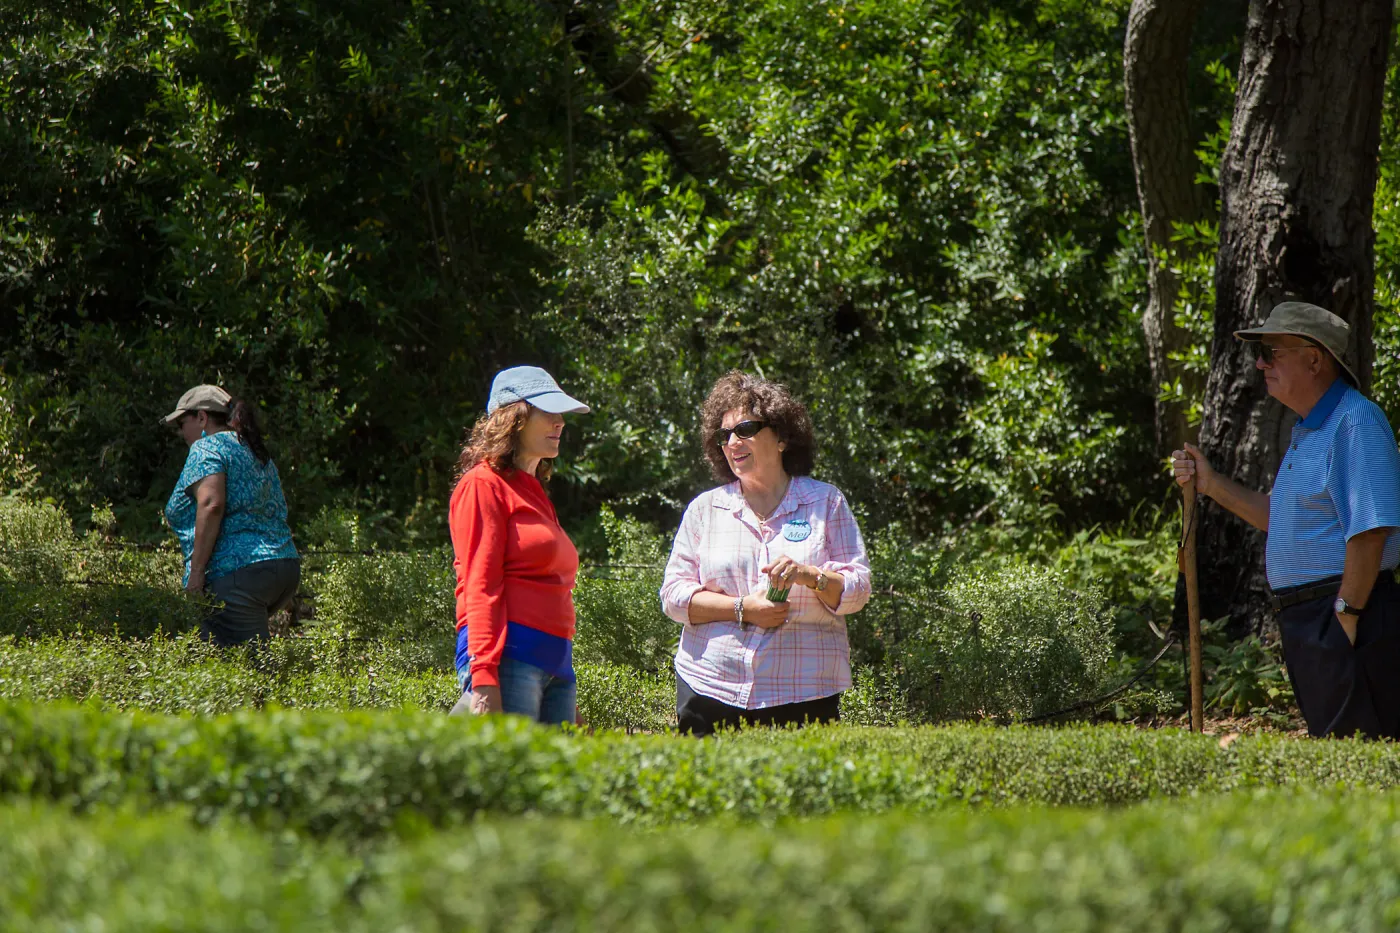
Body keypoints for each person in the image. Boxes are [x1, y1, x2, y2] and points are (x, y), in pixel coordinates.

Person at [1172, 301, 1400, 739]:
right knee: (1340, 755)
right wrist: (1210, 483)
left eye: (1272, 351)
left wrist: (1345, 617)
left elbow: (1371, 530)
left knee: (1361, 758)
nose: (1260, 363)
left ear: (1314, 359)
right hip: (1317, 619)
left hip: (1352, 613)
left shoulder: (1355, 421)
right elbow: (1281, 518)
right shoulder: (1311, 430)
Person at [660, 370, 872, 736]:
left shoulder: (826, 501)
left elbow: (857, 590)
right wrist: (743, 608)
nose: (732, 442)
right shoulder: (704, 509)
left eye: (744, 429)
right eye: (724, 435)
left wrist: (810, 575)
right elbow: (674, 598)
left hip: (804, 692)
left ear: (782, 438)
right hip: (710, 688)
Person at [448, 366, 590, 723]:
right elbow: (481, 584)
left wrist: (562, 676)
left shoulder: (534, 491)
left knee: (555, 778)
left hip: (555, 663)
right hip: (510, 658)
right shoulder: (482, 484)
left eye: (561, 414)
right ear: (516, 419)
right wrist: (483, 677)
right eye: (548, 412)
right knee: (508, 776)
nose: (560, 422)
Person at [162, 384, 300, 648]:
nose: (180, 432)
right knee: (217, 660)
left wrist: (197, 574)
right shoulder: (254, 449)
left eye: (181, 423)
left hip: (236, 574)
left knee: (246, 672)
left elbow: (212, 504)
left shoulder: (207, 448)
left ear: (201, 417)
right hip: (283, 566)